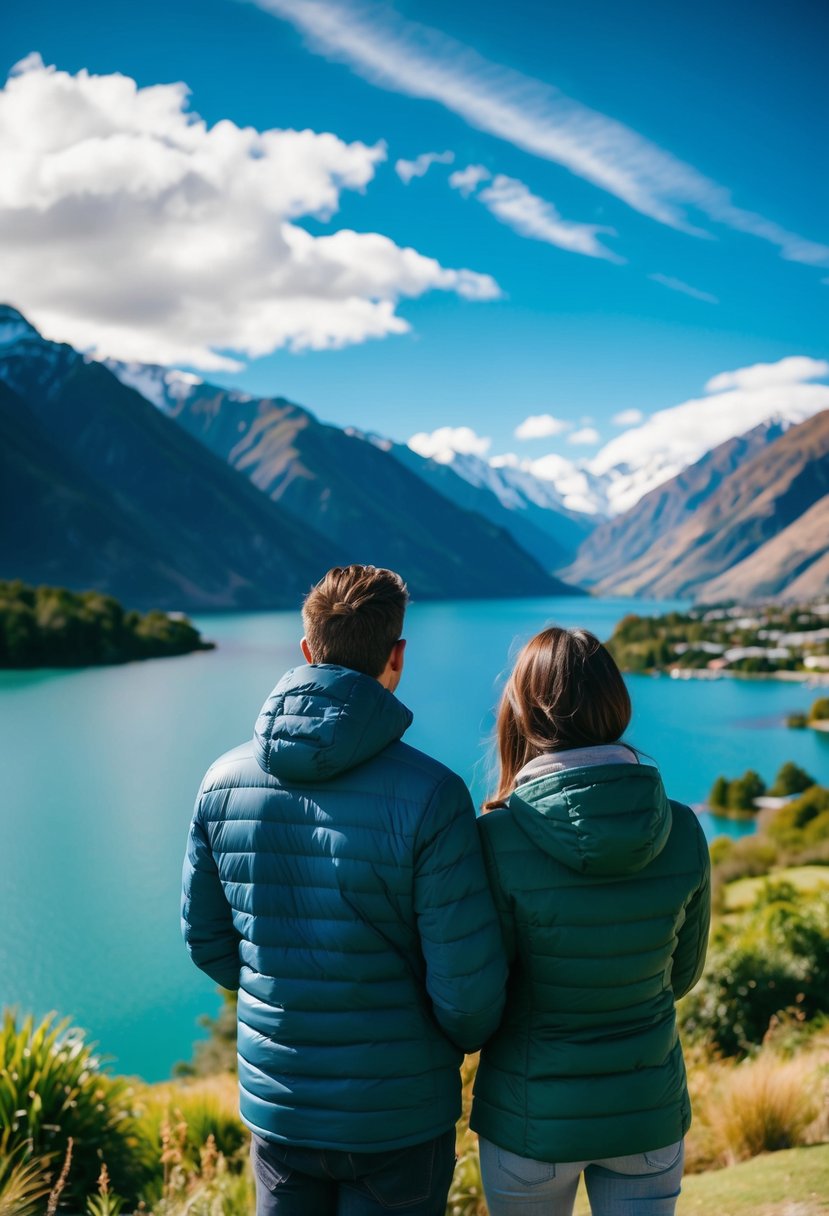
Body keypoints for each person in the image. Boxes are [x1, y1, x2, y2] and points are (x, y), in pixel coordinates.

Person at [181, 564, 507, 1216]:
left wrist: (285, 1002)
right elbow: (467, 996)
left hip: (282, 1109)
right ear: (397, 657)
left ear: (307, 651)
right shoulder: (433, 794)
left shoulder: (221, 781)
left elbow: (209, 944)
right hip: (397, 1116)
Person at [471, 626, 711, 1216]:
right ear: (614, 701)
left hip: (530, 1123)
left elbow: (478, 994)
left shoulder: (494, 839)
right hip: (645, 1113)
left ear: (523, 710)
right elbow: (681, 976)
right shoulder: (681, 829)